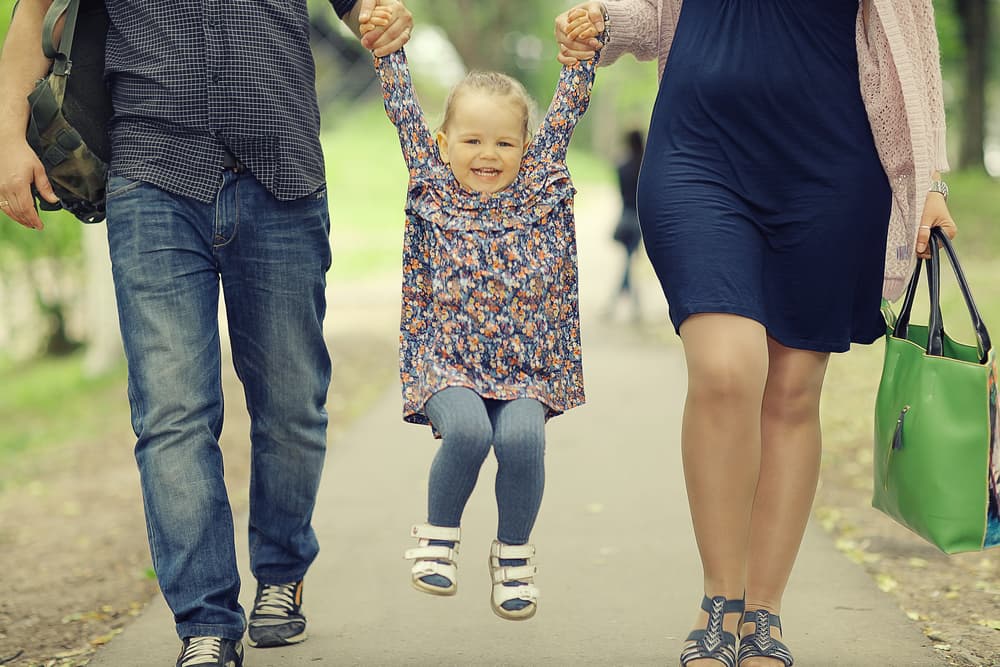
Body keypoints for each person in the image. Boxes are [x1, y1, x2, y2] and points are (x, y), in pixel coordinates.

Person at [0, 1, 411, 665]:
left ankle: (281, 571)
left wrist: (382, 17)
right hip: (154, 176)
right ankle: (206, 621)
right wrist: (8, 141)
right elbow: (32, 19)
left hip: (282, 171)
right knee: (171, 414)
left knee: (291, 402)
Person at [555, 2, 957, 665]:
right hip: (699, 152)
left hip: (829, 169)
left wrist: (930, 179)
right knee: (725, 368)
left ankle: (764, 611)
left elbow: (911, 48)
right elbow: (658, 15)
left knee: (794, 391)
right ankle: (721, 599)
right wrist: (603, 23)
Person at [363, 6, 600, 622]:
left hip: (526, 362)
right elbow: (400, 105)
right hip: (445, 357)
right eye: (472, 140)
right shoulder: (432, 180)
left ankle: (513, 555)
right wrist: (388, 49)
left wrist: (579, 55)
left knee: (522, 440)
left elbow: (570, 104)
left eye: (504, 141)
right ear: (443, 145)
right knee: (468, 432)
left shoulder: (539, 183)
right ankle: (439, 538)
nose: (488, 154)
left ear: (527, 146)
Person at [605, 128, 644, 321]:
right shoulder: (645, 166)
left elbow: (619, 179)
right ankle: (634, 307)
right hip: (639, 219)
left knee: (628, 262)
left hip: (625, 215)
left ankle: (616, 305)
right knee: (629, 262)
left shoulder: (624, 166)